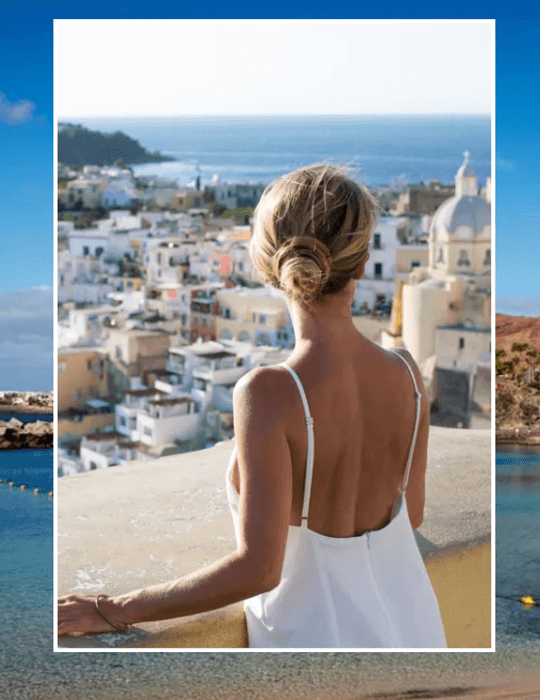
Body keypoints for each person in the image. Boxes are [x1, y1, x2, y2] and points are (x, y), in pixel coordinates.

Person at [57, 165, 447, 648]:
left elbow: (259, 569)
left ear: (267, 266)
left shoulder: (268, 392)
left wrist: (110, 608)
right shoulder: (408, 375)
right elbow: (410, 516)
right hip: (413, 632)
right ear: (364, 262)